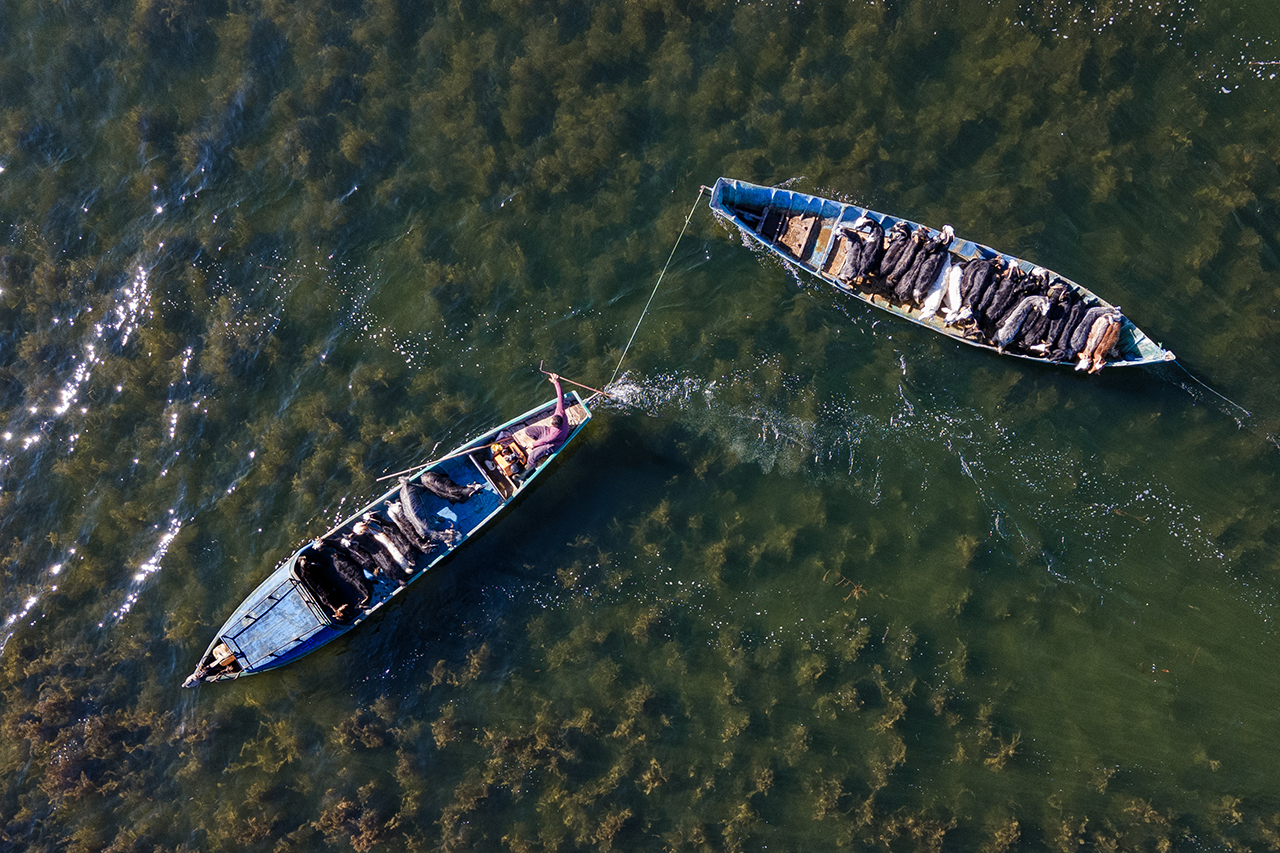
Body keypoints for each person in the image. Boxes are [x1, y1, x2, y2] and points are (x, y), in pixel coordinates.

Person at [517, 372, 569, 468]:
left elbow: (546, 440)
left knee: (532, 456)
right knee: (528, 430)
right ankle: (539, 444)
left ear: (555, 426)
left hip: (553, 443)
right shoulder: (559, 412)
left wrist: (533, 444)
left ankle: (529, 467)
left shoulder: (555, 433)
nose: (550, 422)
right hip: (547, 432)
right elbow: (560, 397)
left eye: (551, 423)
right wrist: (556, 382)